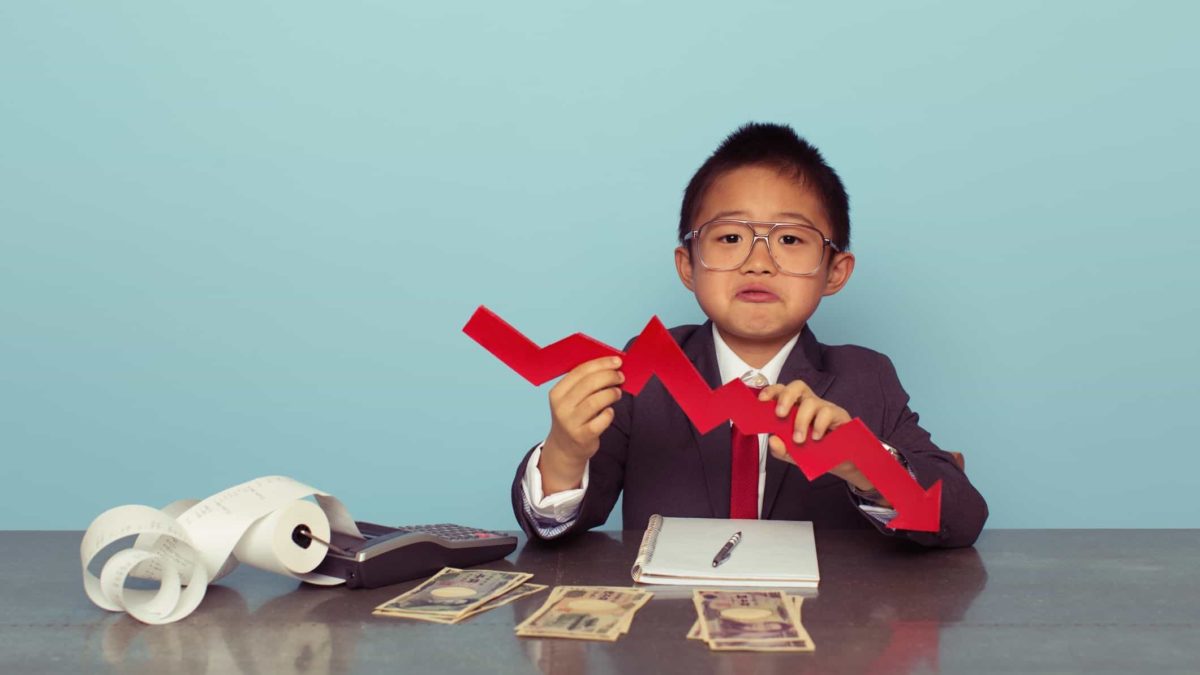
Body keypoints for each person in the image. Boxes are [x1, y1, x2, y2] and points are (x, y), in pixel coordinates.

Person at [510, 123, 987, 548]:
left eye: (791, 240)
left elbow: (962, 519)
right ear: (687, 267)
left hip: (827, 640)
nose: (758, 262)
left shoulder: (867, 378)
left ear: (835, 272)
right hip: (670, 637)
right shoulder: (645, 370)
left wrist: (864, 463)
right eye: (731, 238)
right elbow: (557, 526)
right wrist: (565, 453)